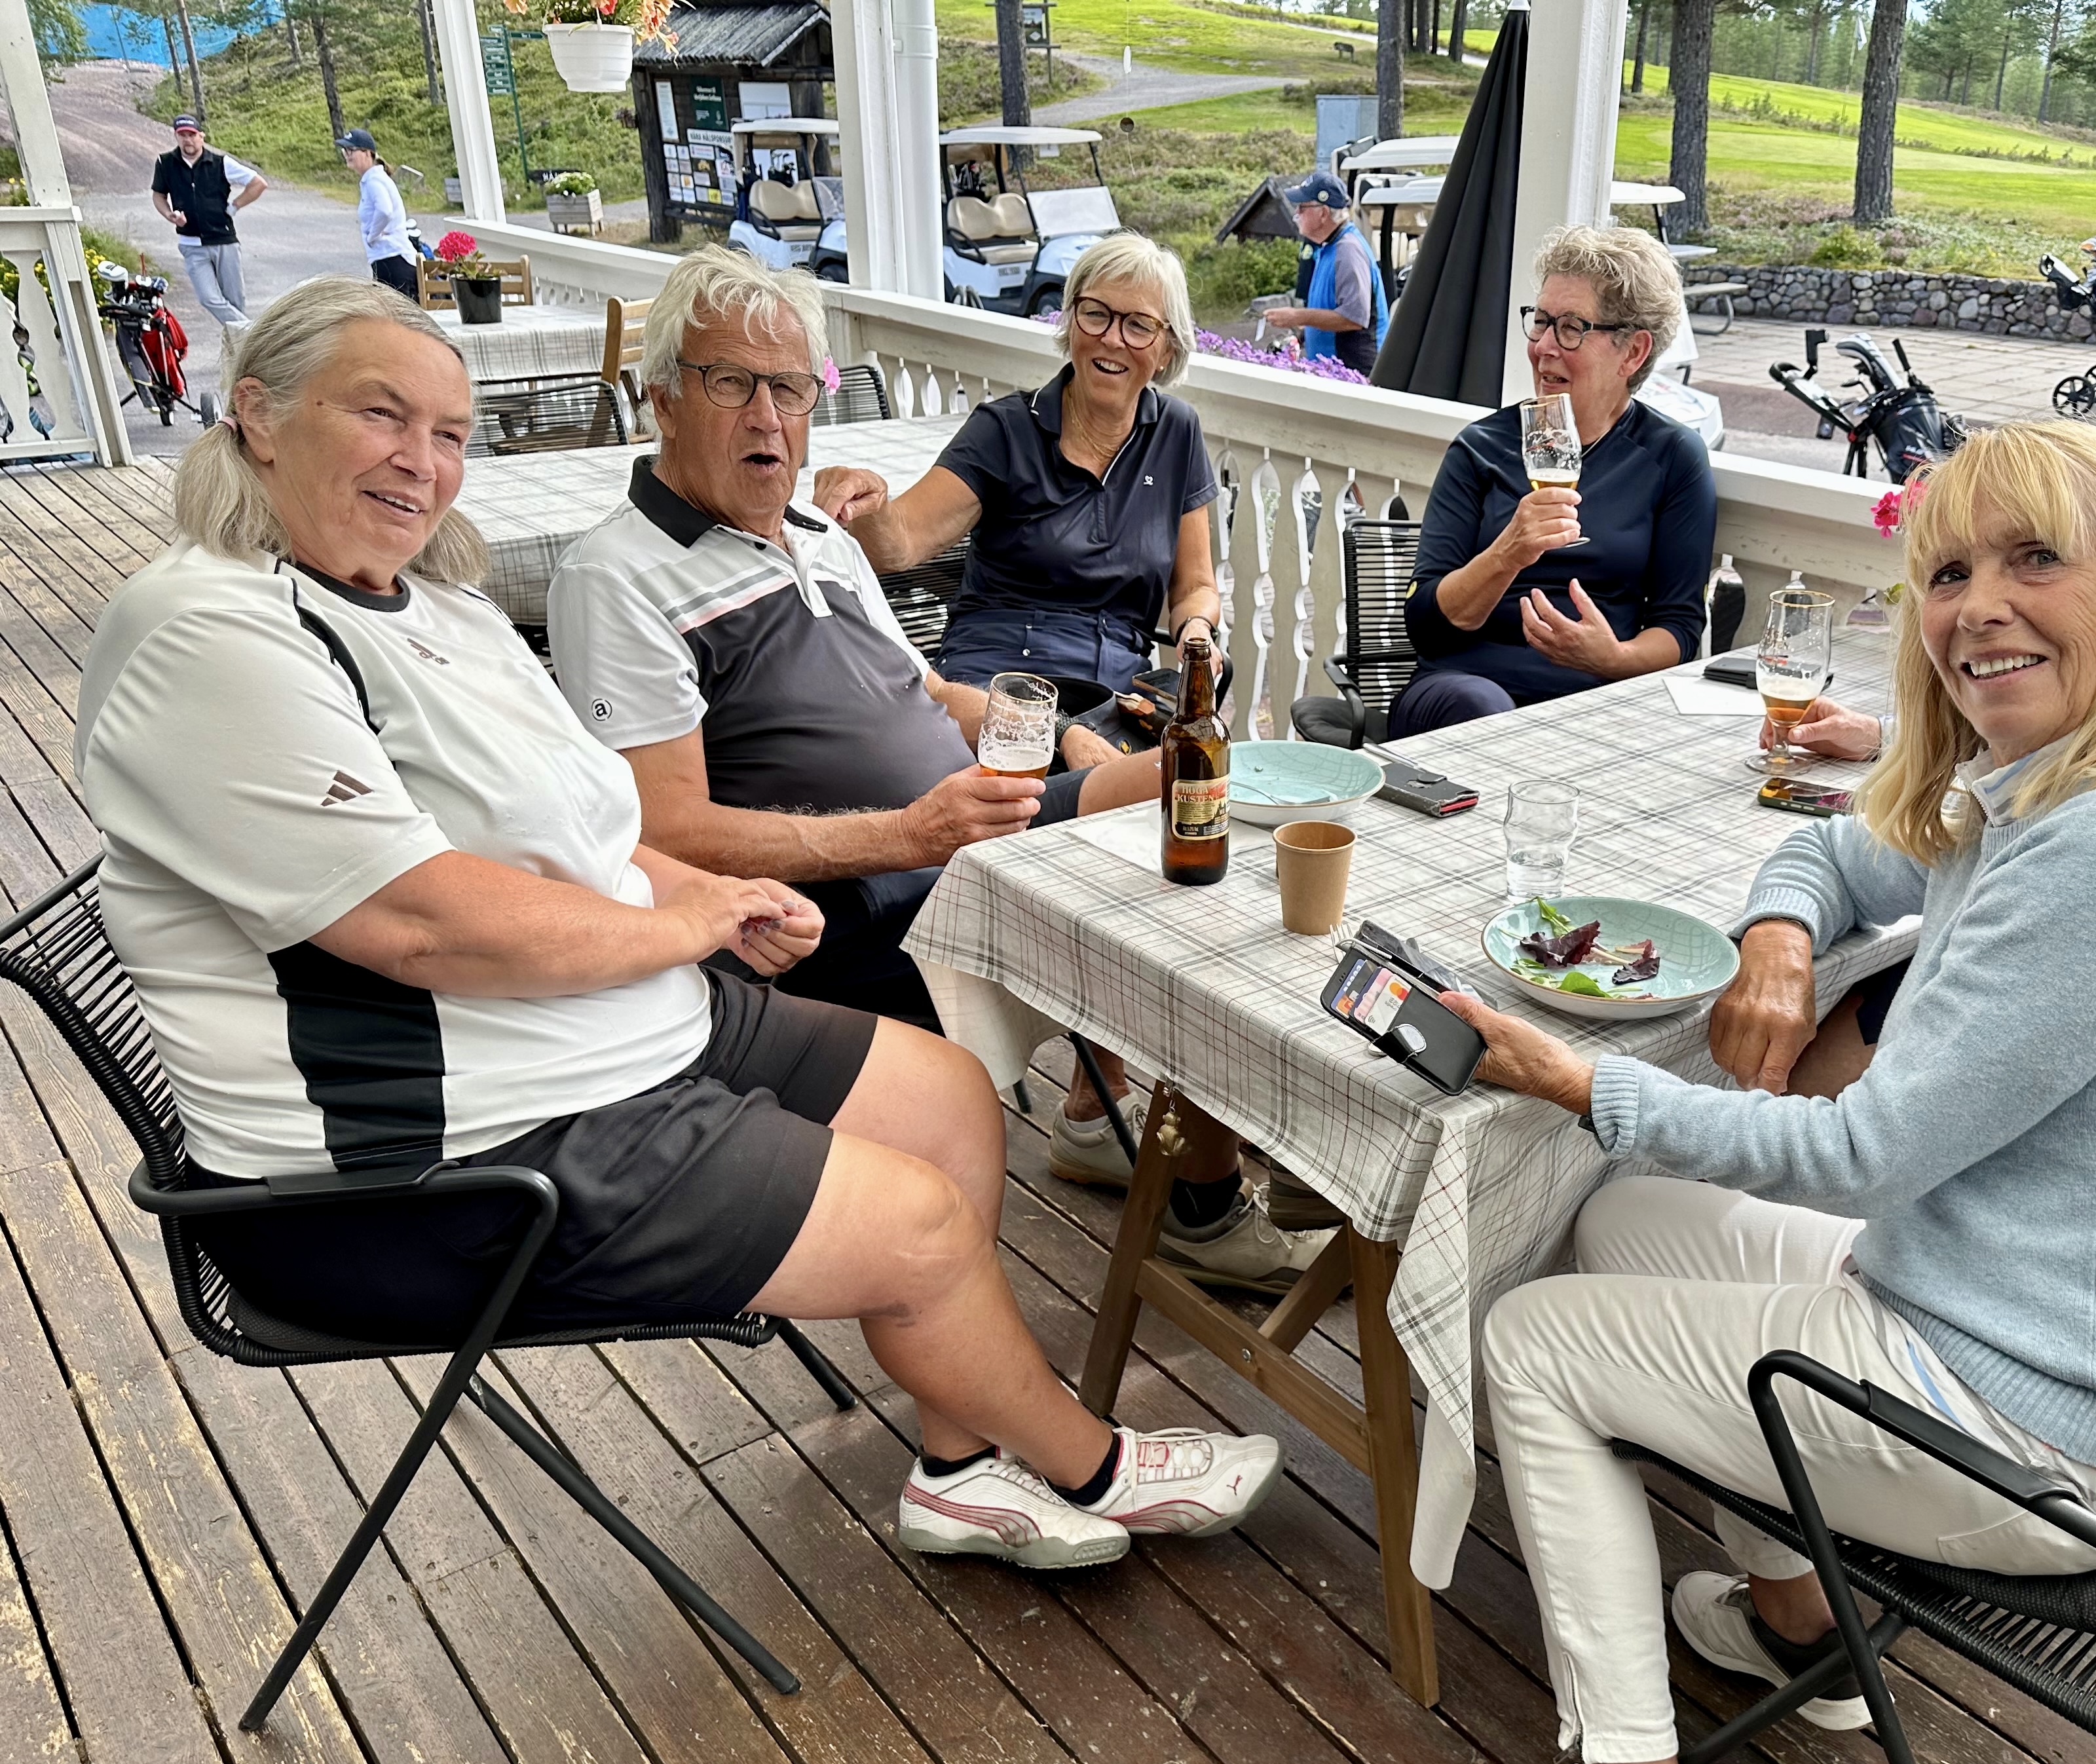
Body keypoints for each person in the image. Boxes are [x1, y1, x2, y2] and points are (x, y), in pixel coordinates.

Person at [79, 276, 1279, 1572]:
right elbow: (422, 926)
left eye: (449, 435)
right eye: (382, 417)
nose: (422, 464)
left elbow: (593, 830)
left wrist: (703, 901)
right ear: (257, 414)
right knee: (919, 1227)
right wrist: (692, 916)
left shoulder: (435, 604)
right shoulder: (211, 627)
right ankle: (1093, 1461)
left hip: (604, 1033)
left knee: (949, 1099)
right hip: (421, 1166)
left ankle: (957, 1468)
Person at [1431, 421, 2096, 1764]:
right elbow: (1850, 849)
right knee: (1620, 1212)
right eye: (1950, 571)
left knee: (1542, 1339)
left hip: (2058, 1430)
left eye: (2036, 559)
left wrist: (1578, 1081)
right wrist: (1776, 931)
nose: (1978, 606)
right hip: (2019, 1313)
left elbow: (1860, 1155)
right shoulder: (2051, 780)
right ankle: (1802, 1624)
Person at [552, 248, 1330, 1294]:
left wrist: (1067, 742)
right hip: (864, 894)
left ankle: (1224, 1133)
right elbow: (663, 832)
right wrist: (908, 833)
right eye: (732, 382)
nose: (767, 419)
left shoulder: (816, 537)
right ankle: (1200, 1194)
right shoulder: (616, 577)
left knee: (1209, 793)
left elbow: (927, 694)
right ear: (663, 396)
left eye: (790, 388)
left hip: (968, 821)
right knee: (1161, 908)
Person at [836, 231, 1216, 698]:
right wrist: (868, 503)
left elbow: (1196, 585)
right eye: (1095, 313)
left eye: (1139, 325)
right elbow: (901, 542)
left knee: (1176, 768)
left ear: (1167, 351)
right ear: (1071, 322)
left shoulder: (1176, 432)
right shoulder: (1005, 430)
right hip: (992, 676)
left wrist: (1196, 629)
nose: (1112, 339)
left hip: (1112, 687)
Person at [1395, 224, 1715, 738]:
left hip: (1598, 699)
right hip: (1464, 686)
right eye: (1541, 321)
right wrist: (1509, 552)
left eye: (1570, 328)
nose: (1543, 346)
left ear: (1632, 352)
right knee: (1482, 709)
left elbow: (1679, 626)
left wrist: (1614, 657)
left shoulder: (1672, 457)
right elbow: (1425, 626)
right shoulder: (1481, 448)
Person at [1262, 172, 1388, 378]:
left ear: (1323, 213)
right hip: (1338, 374)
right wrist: (1302, 338)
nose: (1296, 212)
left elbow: (1353, 318)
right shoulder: (1330, 246)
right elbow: (1329, 310)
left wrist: (1296, 316)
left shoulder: (1348, 251)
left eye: (1302, 207)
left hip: (1354, 375)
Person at [150, 113, 263, 334]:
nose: (187, 140)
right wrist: (169, 215)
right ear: (176, 136)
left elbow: (258, 183)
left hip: (224, 240)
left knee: (234, 302)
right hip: (191, 244)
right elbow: (158, 195)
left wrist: (235, 206)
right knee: (209, 298)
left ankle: (239, 352)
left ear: (201, 136)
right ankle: (254, 333)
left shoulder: (220, 163)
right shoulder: (166, 163)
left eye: (192, 135)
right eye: (182, 135)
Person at [340, 130, 417, 301]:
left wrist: (372, 236)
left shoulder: (374, 181)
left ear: (368, 153)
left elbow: (385, 210)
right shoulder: (372, 179)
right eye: (345, 151)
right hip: (388, 258)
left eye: (351, 150)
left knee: (394, 319)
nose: (347, 155)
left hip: (392, 258)